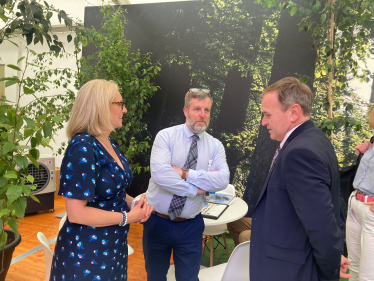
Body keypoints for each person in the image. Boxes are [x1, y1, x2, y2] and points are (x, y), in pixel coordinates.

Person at [50, 79, 153, 281]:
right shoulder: (83, 146)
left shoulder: (108, 143)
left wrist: (134, 203)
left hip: (113, 247)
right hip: (86, 254)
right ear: (101, 107)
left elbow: (112, 191)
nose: (124, 110)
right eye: (120, 104)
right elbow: (76, 213)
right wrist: (128, 217)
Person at [250, 77, 351, 281]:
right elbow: (335, 202)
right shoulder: (316, 139)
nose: (263, 122)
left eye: (267, 114)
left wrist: (329, 268)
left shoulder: (300, 152)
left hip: (292, 272)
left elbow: (322, 225)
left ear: (294, 112)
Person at [143, 88, 230, 281]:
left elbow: (223, 179)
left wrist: (184, 173)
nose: (202, 115)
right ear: (185, 111)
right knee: (155, 277)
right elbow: (160, 175)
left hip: (190, 226)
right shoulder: (165, 137)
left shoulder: (215, 146)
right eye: (197, 109)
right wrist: (195, 189)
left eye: (206, 110)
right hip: (157, 222)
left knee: (189, 278)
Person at [346, 104, 374, 281]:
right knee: (353, 267)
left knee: (367, 275)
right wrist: (363, 154)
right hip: (355, 204)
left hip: (371, 212)